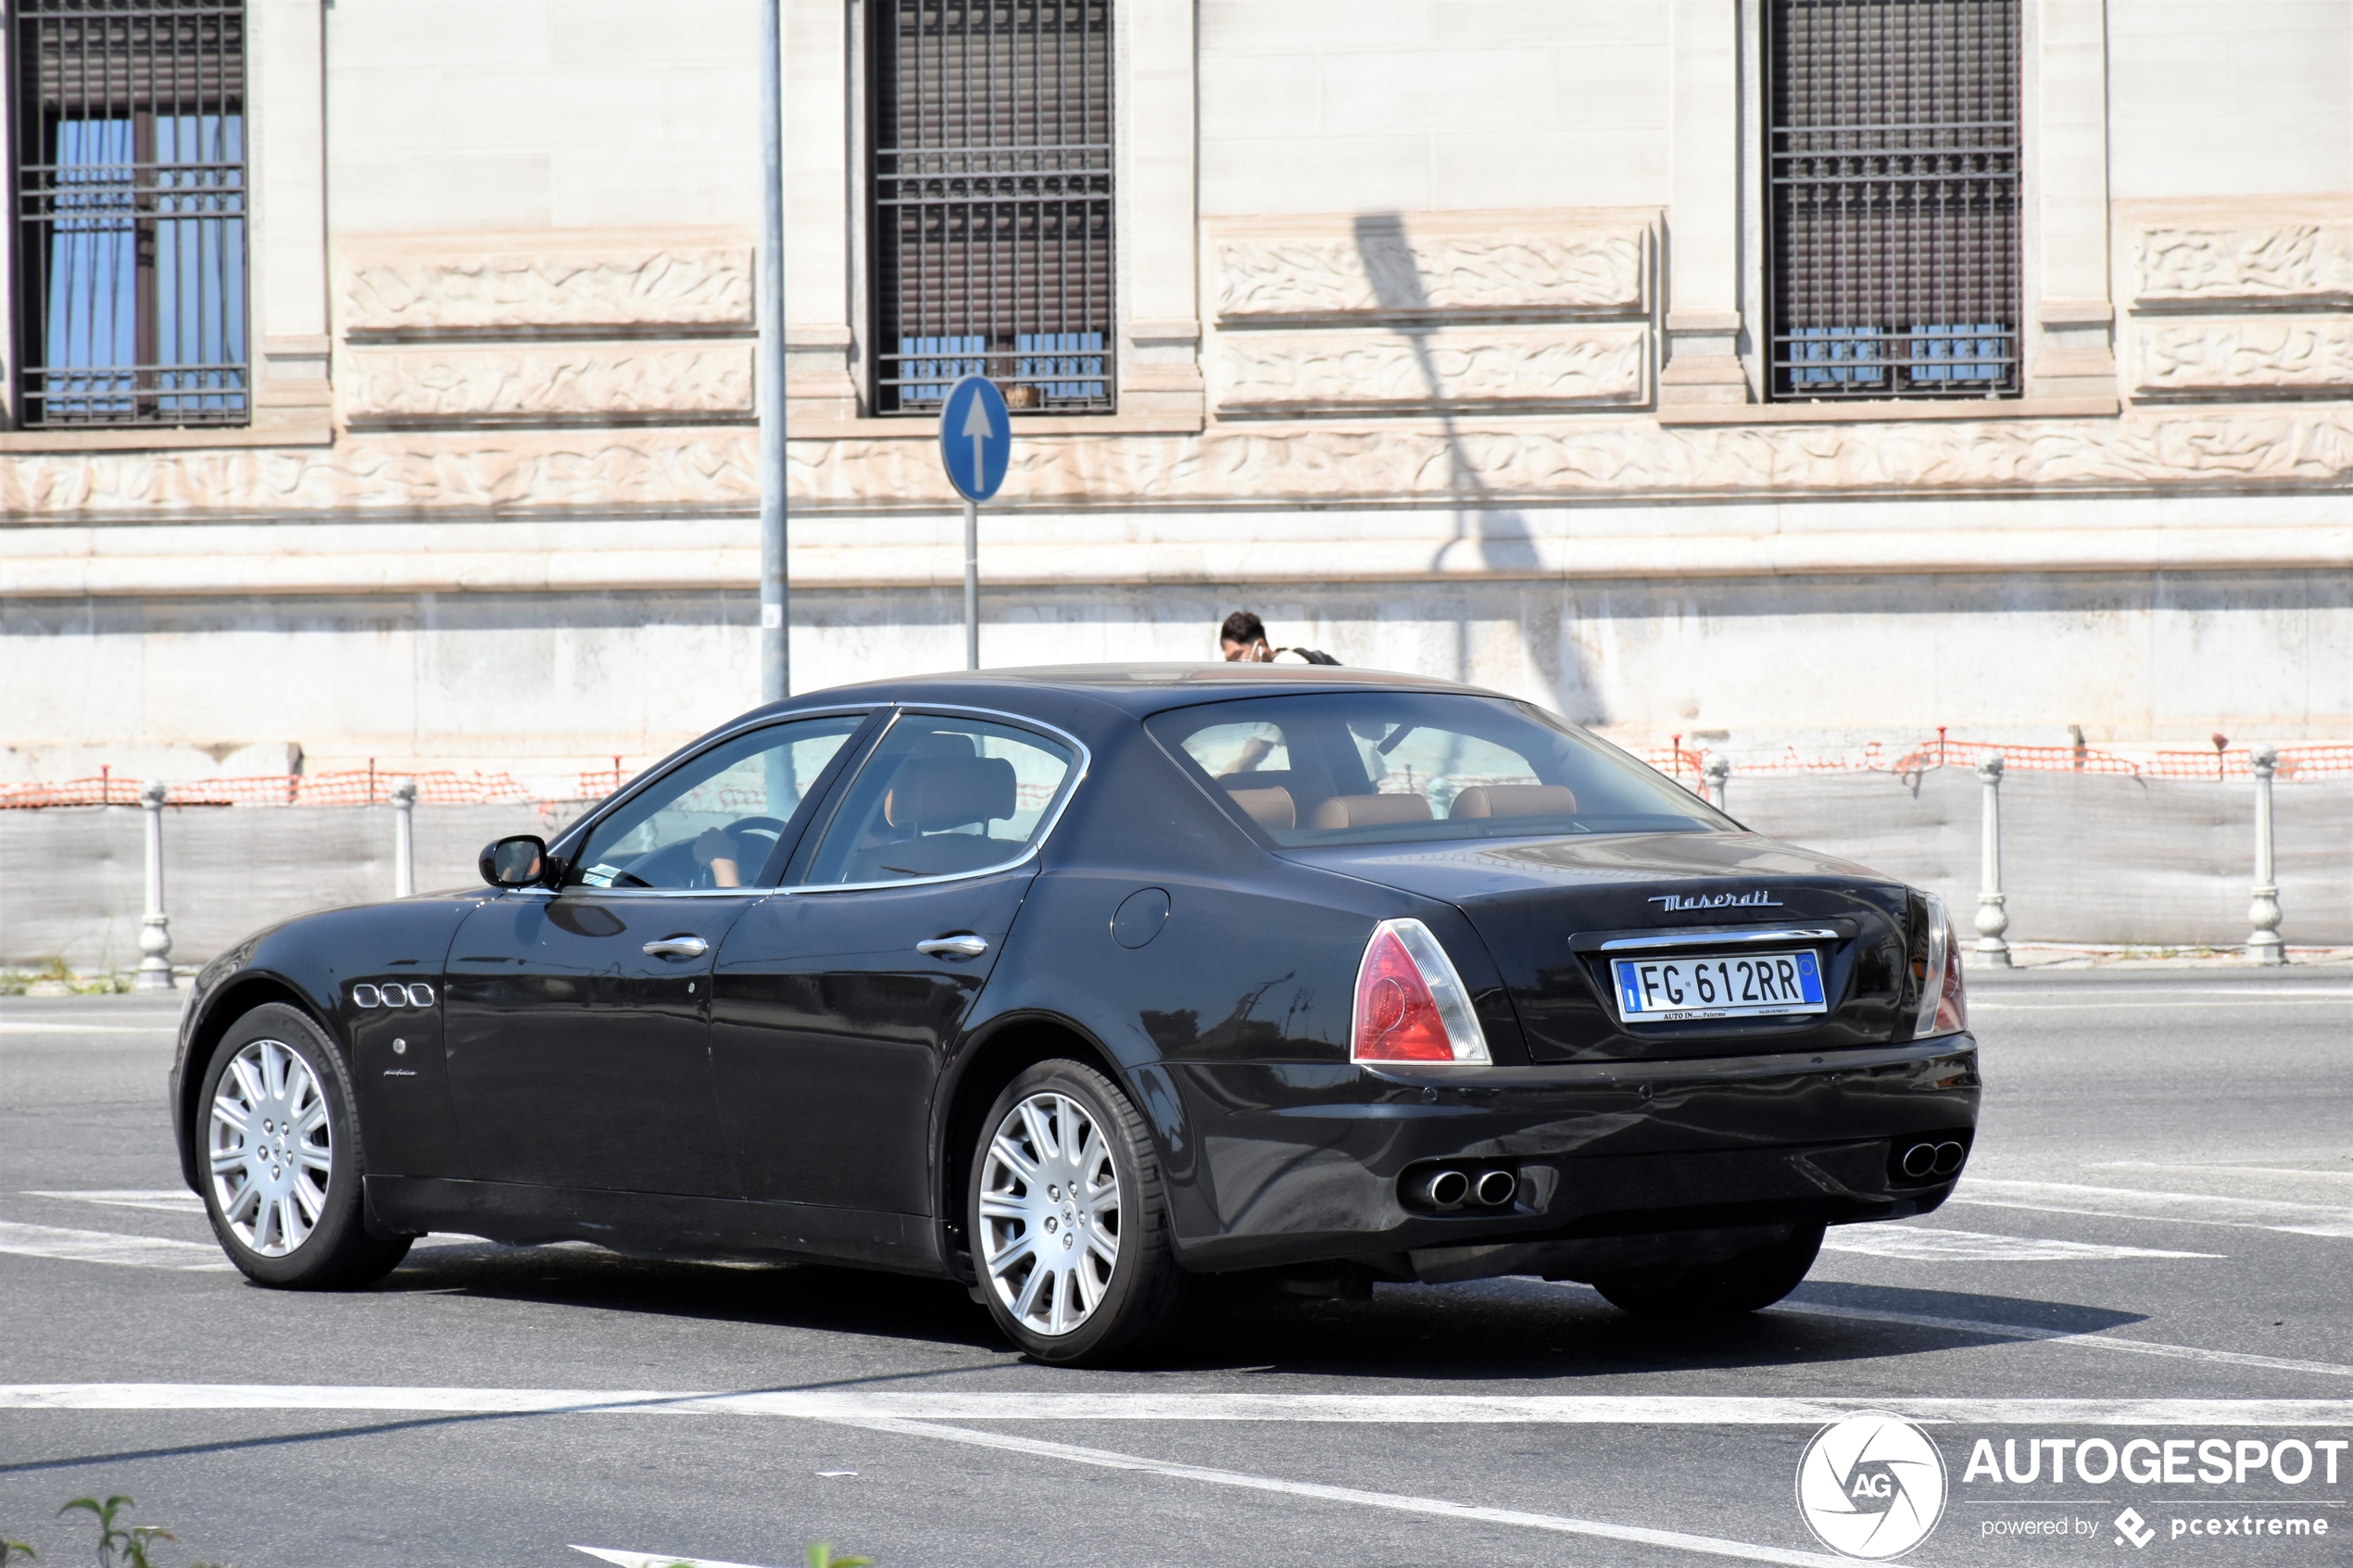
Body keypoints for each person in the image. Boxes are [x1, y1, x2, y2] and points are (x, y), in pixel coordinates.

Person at [1217, 610, 1340, 665]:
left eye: (1238, 656)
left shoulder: (1294, 665)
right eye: (1229, 661)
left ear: (1260, 645)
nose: (1234, 665)